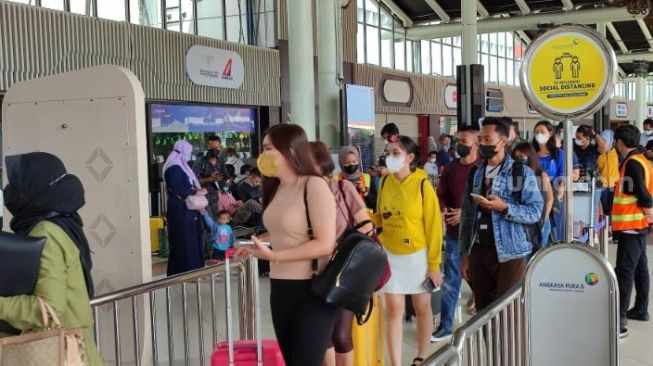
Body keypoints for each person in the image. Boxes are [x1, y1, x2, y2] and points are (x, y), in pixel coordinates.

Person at [236, 124, 338, 366]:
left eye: (269, 148)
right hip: (280, 288)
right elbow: (284, 229)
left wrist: (275, 256)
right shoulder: (276, 187)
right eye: (263, 149)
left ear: (291, 150)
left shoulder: (313, 186)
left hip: (312, 290)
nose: (263, 155)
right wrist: (258, 244)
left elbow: (325, 244)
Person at [1, 152, 102, 365]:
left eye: (18, 184)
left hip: (60, 352)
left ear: (34, 186)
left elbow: (47, 308)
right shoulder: (64, 221)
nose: (10, 191)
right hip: (70, 345)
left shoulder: (45, 231)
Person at [373, 135, 443, 366]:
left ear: (410, 158)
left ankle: (421, 356)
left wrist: (434, 266)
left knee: (422, 307)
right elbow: (381, 217)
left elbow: (434, 228)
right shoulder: (384, 182)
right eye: (388, 152)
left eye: (396, 153)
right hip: (390, 254)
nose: (390, 157)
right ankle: (395, 362)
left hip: (418, 255)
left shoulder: (423, 184)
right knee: (393, 309)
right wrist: (364, 217)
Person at [459, 117, 543, 311]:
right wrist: (465, 255)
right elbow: (467, 216)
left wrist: (505, 208)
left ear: (503, 141)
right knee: (483, 313)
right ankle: (491, 343)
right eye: (480, 139)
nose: (482, 144)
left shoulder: (521, 172)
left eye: (487, 139)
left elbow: (535, 211)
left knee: (507, 314)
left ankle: (511, 343)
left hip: (510, 253)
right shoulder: (475, 173)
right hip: (479, 251)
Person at [310, 141, 372, 366]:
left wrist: (339, 246)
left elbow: (366, 225)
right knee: (322, 335)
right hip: (314, 272)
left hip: (343, 271)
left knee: (341, 335)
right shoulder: (302, 193)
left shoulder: (342, 188)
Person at [431, 126, 480, 342]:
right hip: (454, 234)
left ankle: (485, 317)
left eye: (465, 141)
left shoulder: (483, 168)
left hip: (479, 236)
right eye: (458, 140)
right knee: (451, 280)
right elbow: (440, 193)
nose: (459, 144)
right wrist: (442, 209)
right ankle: (445, 325)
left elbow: (489, 200)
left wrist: (465, 213)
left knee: (477, 276)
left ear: (476, 143)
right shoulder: (451, 168)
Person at [612, 125, 652, 338]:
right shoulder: (641, 160)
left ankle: (619, 321)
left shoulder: (632, 164)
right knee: (640, 269)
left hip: (632, 226)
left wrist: (649, 216)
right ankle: (640, 309)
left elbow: (644, 196)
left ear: (619, 142)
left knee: (625, 271)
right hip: (637, 226)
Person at [164, 141, 208, 276]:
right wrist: (196, 192)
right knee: (184, 239)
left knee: (191, 238)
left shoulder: (181, 166)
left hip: (187, 208)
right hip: (180, 209)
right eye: (188, 152)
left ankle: (194, 270)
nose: (189, 155)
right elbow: (177, 188)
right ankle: (185, 272)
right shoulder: (174, 167)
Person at [532, 121, 579, 241]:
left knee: (553, 233)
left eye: (542, 131)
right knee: (537, 234)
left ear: (550, 134)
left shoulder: (559, 155)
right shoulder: (532, 155)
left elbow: (562, 179)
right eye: (537, 132)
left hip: (554, 198)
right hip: (534, 198)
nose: (539, 134)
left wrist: (558, 197)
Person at [512, 142, 555, 249]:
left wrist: (543, 218)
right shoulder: (513, 176)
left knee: (540, 254)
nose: (519, 160)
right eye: (516, 157)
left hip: (540, 220)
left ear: (530, 157)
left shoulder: (541, 175)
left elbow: (549, 199)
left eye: (522, 156)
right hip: (523, 221)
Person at [193, 148, 223, 216]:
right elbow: (194, 181)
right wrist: (210, 179)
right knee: (207, 220)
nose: (214, 163)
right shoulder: (200, 162)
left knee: (216, 220)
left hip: (215, 196)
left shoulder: (220, 161)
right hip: (203, 197)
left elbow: (224, 175)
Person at [597, 129, 620, 216]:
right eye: (602, 140)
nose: (603, 142)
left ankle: (611, 227)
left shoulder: (617, 152)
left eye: (605, 140)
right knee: (604, 209)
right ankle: (605, 227)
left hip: (615, 185)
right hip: (603, 185)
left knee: (613, 209)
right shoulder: (598, 153)